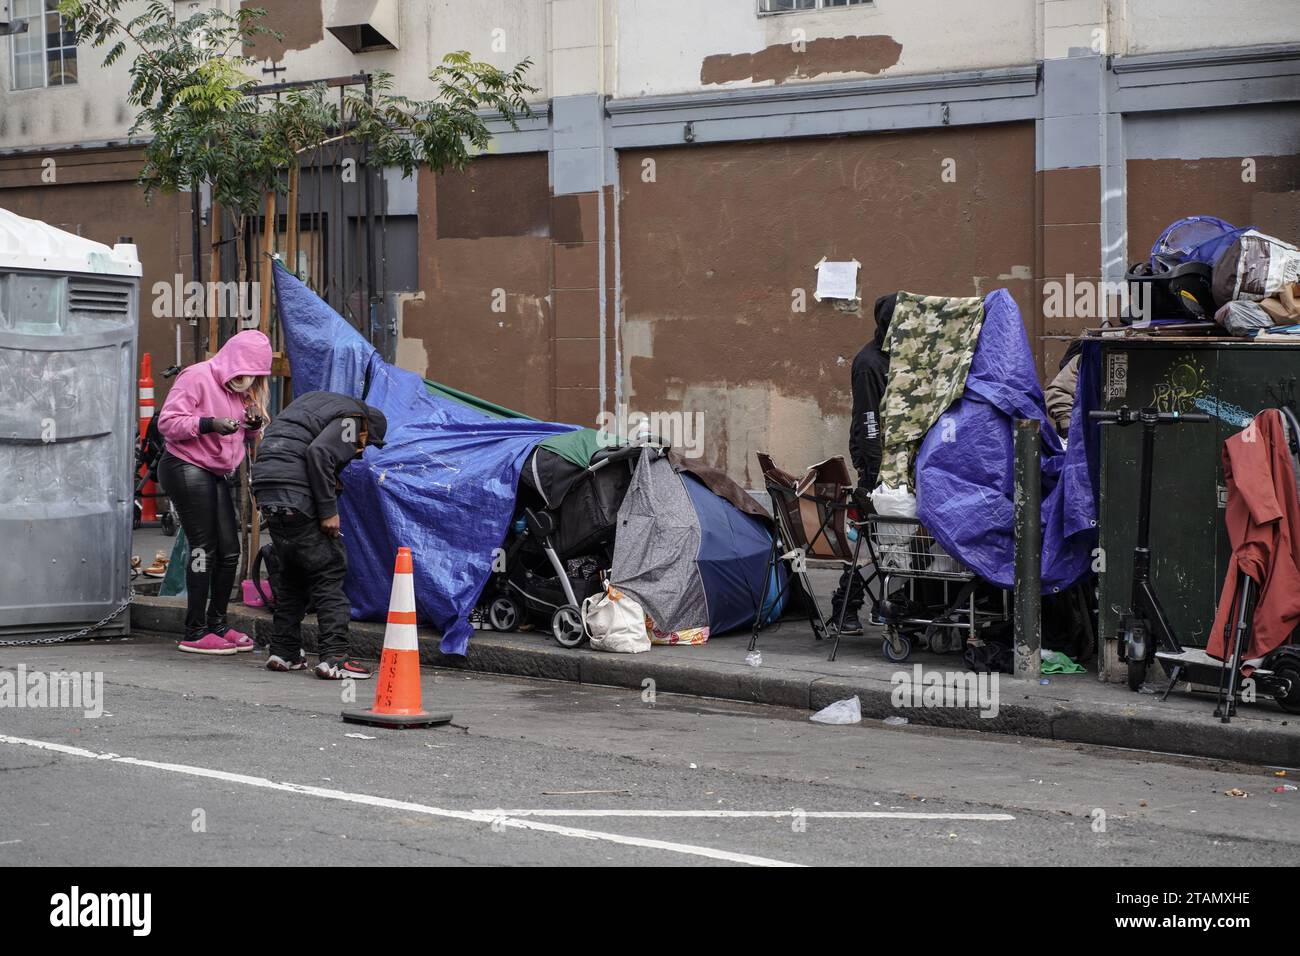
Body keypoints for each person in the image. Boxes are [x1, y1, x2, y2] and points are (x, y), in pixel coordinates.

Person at [251, 390, 388, 679]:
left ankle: (284, 651)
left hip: (267, 488)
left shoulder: (315, 405)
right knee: (328, 570)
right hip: (295, 492)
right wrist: (328, 511)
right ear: (368, 429)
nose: (359, 452)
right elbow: (320, 452)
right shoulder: (355, 421)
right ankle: (335, 658)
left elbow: (289, 443)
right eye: (364, 447)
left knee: (292, 572)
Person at [156, 330, 273, 654]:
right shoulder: (197, 376)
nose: (246, 381)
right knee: (203, 547)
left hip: (216, 470)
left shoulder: (243, 393)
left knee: (230, 550)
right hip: (185, 464)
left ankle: (217, 624)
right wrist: (208, 423)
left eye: (254, 376)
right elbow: (168, 423)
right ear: (232, 361)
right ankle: (194, 632)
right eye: (243, 372)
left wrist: (251, 426)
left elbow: (247, 439)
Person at [830, 293, 896, 635]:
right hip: (876, 462)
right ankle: (845, 607)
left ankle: (883, 605)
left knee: (889, 538)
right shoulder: (870, 363)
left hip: (891, 460)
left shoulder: (896, 355)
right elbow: (869, 419)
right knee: (870, 536)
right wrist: (872, 472)